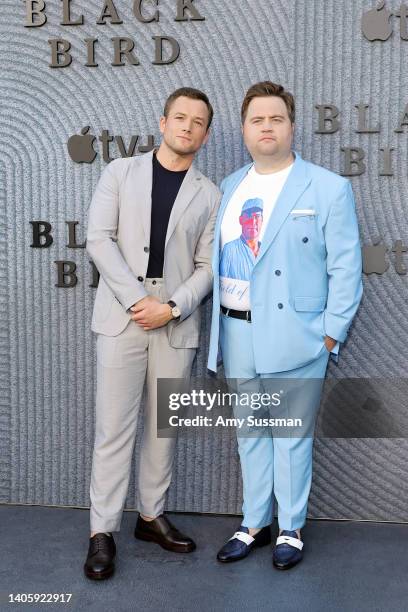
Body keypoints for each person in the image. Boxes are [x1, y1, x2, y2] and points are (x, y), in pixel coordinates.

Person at [207, 81, 363, 569]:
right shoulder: (230, 188)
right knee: (249, 434)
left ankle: (291, 528)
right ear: (244, 129)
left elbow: (346, 265)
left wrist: (330, 332)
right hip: (237, 333)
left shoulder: (327, 187)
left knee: (291, 435)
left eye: (276, 118)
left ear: (292, 127)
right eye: (258, 119)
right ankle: (254, 523)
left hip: (298, 337)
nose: (267, 127)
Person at [84, 87, 221, 580]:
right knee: (114, 428)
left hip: (174, 320)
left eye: (198, 121)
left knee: (164, 428)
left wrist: (172, 306)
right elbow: (98, 238)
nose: (187, 126)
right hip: (124, 315)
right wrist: (137, 300)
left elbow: (208, 265)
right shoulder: (120, 172)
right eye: (179, 117)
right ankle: (102, 532)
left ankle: (150, 517)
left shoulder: (210, 193)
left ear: (205, 134)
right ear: (162, 123)